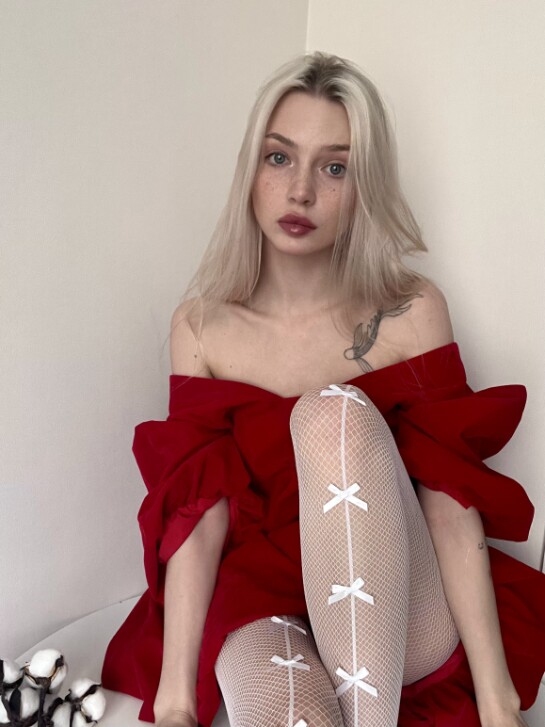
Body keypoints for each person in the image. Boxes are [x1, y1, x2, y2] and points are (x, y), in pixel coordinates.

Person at [101, 52, 545, 727]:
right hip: (266, 598)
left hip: (400, 596)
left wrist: (497, 701)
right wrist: (175, 704)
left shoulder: (410, 312)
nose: (300, 190)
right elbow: (198, 514)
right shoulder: (201, 326)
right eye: (279, 158)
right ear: (250, 170)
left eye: (334, 168)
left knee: (331, 415)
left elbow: (450, 501)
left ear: (364, 186)